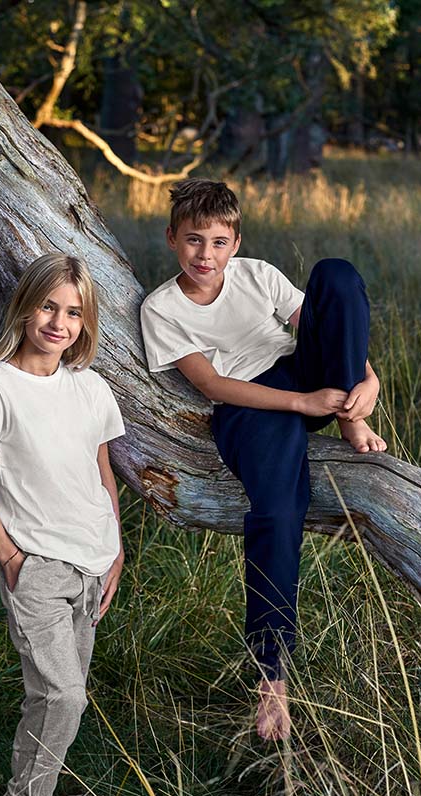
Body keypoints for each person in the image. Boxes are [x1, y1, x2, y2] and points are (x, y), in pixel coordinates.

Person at [139, 178, 386, 741]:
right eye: (193, 240)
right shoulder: (162, 308)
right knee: (277, 512)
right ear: (172, 237)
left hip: (302, 374)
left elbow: (324, 330)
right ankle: (272, 676)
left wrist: (365, 380)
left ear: (236, 242)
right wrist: (302, 403)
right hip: (248, 406)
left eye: (218, 242)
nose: (205, 255)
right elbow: (212, 384)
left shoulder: (257, 275)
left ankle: (351, 418)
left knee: (337, 275)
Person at [0, 253, 125, 796]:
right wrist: (9, 557)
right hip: (37, 569)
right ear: (25, 308)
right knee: (62, 697)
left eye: (73, 312)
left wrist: (115, 548)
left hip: (92, 564)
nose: (59, 322)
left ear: (85, 323)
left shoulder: (90, 387)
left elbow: (102, 469)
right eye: (49, 307)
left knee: (58, 702)